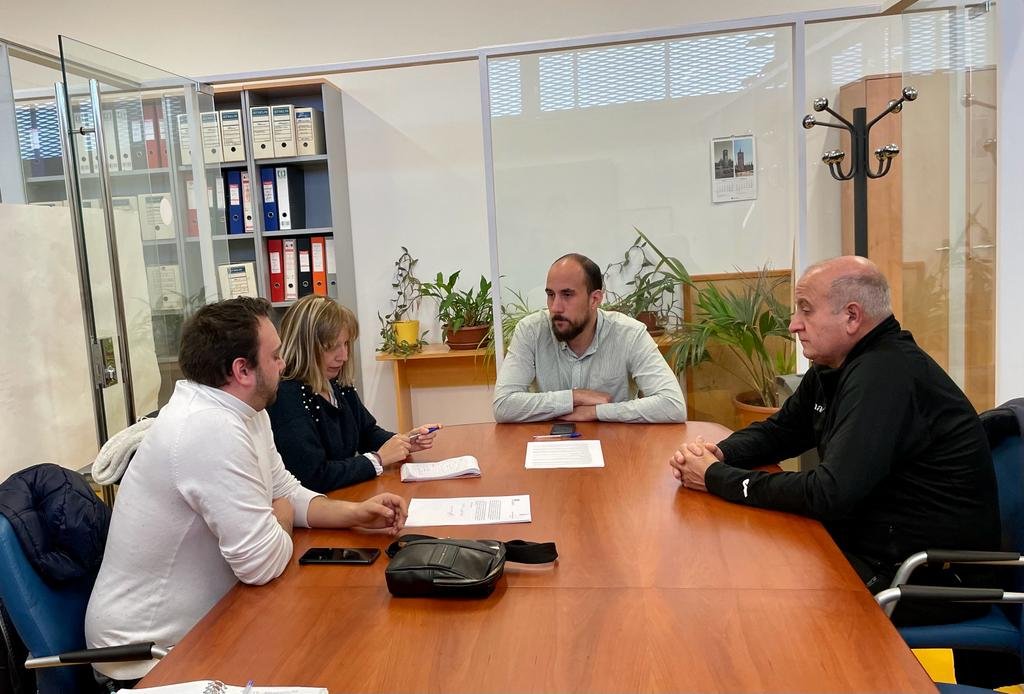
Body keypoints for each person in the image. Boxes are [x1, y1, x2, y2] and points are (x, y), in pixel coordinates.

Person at [84, 297, 408, 688]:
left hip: (207, 627)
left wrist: (351, 514)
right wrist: (282, 513)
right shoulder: (208, 427)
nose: (284, 364)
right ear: (242, 370)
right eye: (274, 356)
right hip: (149, 661)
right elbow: (261, 564)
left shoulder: (247, 411)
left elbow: (285, 489)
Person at [669, 256, 999, 622]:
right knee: (747, 564)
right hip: (877, 548)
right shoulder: (838, 365)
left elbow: (830, 493)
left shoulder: (885, 374)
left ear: (852, 317)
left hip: (924, 578)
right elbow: (783, 430)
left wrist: (716, 477)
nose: (794, 325)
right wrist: (719, 453)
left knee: (755, 600)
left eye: (806, 311)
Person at [267, 295, 440, 492]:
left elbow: (367, 433)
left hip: (346, 496)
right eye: (332, 347)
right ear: (304, 347)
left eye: (346, 344)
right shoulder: (287, 397)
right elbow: (314, 476)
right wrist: (378, 459)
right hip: (321, 509)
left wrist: (404, 442)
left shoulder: (336, 383)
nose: (344, 356)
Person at [493, 253, 685, 423]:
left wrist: (598, 412)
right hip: (550, 448)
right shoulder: (531, 331)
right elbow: (503, 405)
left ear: (595, 299)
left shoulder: (629, 334)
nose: (555, 307)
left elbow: (673, 406)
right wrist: (575, 397)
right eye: (551, 295)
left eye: (567, 295)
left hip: (618, 448)